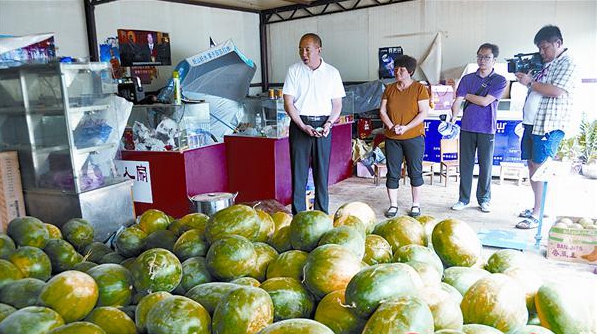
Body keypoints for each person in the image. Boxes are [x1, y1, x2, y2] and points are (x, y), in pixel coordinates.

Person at [514, 25, 577, 229]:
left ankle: (538, 213)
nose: (542, 52)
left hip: (548, 126)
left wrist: (529, 82)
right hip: (533, 124)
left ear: (558, 43)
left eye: (545, 47)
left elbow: (557, 91)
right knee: (532, 165)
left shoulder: (568, 63)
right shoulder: (546, 64)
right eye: (540, 48)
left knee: (541, 168)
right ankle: (537, 207)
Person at [282, 33, 345, 214]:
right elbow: (288, 103)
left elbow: (337, 104)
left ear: (319, 49)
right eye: (300, 49)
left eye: (307, 49)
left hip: (324, 125)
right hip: (300, 125)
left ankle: (321, 215)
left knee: (321, 174)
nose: (304, 54)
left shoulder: (332, 73)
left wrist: (329, 124)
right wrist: (302, 126)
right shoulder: (294, 70)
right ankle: (299, 217)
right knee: (298, 174)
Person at [449, 43, 507, 213]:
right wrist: (453, 116)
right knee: (465, 165)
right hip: (466, 127)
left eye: (486, 57)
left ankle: (484, 199)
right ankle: (463, 199)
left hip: (487, 129)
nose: (482, 60)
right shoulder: (467, 79)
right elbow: (457, 102)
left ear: (494, 60)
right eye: (479, 56)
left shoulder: (499, 80)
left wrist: (465, 95)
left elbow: (484, 101)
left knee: (486, 165)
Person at [379, 55, 430, 218]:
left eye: (401, 69)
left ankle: (416, 204)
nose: (397, 72)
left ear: (410, 72)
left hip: (414, 137)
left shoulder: (420, 89)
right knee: (393, 172)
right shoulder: (389, 89)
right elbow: (382, 111)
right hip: (392, 138)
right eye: (396, 69)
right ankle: (393, 205)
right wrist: (391, 126)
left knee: (415, 171)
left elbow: (423, 113)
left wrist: (406, 127)